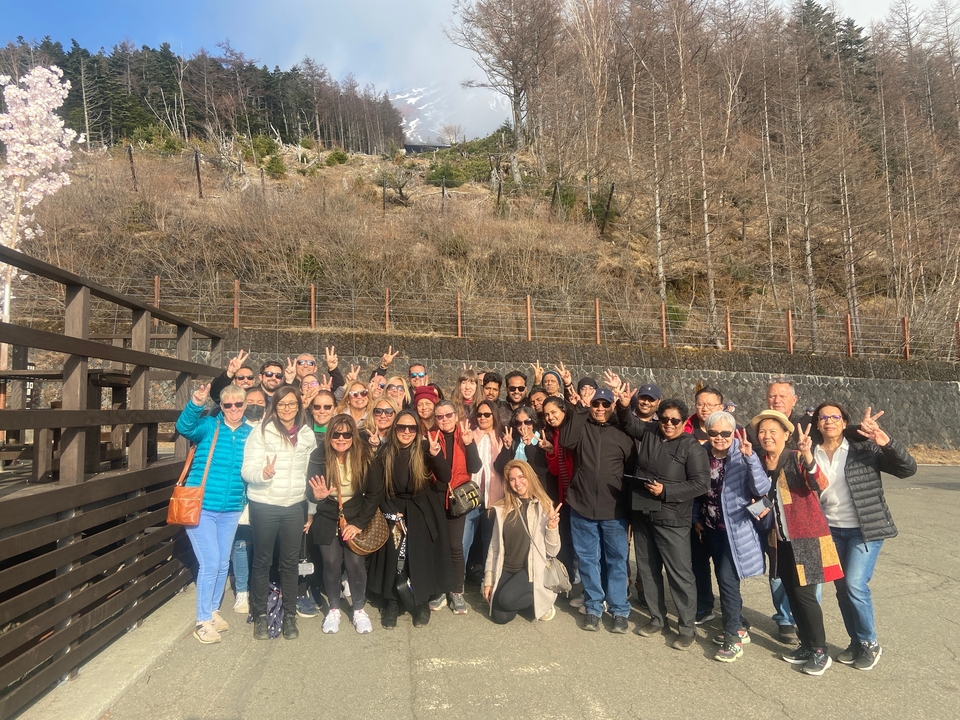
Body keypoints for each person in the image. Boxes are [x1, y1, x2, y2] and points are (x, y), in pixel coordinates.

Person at [812, 402, 916, 671]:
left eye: (835, 416)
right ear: (817, 424)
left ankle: (870, 642)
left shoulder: (864, 448)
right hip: (831, 530)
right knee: (842, 590)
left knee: (855, 584)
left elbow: (907, 469)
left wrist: (886, 442)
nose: (829, 421)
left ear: (845, 423)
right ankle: (856, 641)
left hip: (864, 529)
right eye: (823, 417)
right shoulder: (811, 452)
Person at [614, 391, 710, 649]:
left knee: (680, 575)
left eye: (675, 420)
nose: (668, 424)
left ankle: (686, 627)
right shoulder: (650, 432)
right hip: (643, 513)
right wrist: (624, 406)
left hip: (672, 518)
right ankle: (657, 618)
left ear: (683, 422)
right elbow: (628, 422)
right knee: (647, 569)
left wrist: (666, 491)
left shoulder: (692, 448)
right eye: (665, 419)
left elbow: (701, 484)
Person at [751, 409, 842, 676]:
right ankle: (806, 645)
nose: (767, 436)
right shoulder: (759, 461)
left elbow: (819, 482)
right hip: (780, 540)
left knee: (805, 596)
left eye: (773, 431)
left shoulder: (796, 458)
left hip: (807, 538)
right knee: (791, 592)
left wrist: (808, 455)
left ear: (786, 435)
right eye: (763, 432)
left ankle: (820, 651)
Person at [176, 383, 254, 644]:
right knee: (210, 562)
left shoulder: (249, 433)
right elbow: (184, 427)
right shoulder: (210, 426)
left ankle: (213, 611)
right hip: (201, 506)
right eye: (228, 405)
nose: (233, 409)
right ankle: (202, 621)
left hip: (232, 508)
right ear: (221, 406)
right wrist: (196, 403)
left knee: (222, 562)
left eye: (238, 405)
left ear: (245, 406)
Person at [241, 386, 317, 641]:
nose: (287, 408)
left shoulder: (307, 435)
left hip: (295, 505)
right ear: (275, 406)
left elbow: (311, 476)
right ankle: (260, 615)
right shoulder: (261, 431)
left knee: (290, 563)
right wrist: (263, 475)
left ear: (299, 406)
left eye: (292, 404)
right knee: (262, 561)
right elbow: (247, 469)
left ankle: (290, 616)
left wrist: (312, 509)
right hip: (265, 504)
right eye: (282, 404)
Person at [367, 410, 454, 628]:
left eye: (412, 428)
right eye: (402, 427)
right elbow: (377, 489)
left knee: (420, 554)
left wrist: (437, 455)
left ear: (417, 431)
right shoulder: (384, 452)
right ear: (395, 429)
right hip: (393, 505)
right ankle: (391, 603)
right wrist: (389, 510)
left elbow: (445, 477)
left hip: (421, 507)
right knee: (392, 555)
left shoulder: (425, 449)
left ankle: (421, 603)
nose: (406, 432)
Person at [559, 387, 634, 633]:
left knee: (617, 562)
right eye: (596, 404)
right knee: (588, 561)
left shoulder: (622, 431)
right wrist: (580, 408)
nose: (600, 409)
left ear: (612, 406)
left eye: (605, 404)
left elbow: (633, 466)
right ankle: (593, 607)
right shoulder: (582, 427)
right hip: (581, 506)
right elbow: (566, 441)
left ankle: (619, 609)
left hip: (614, 509)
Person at [697, 411, 771, 662]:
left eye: (725, 433)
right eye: (714, 433)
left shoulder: (743, 453)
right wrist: (697, 519)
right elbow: (699, 490)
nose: (720, 437)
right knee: (725, 579)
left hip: (735, 530)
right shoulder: (702, 452)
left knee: (727, 581)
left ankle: (732, 637)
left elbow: (762, 489)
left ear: (733, 433)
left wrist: (751, 458)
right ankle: (738, 624)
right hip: (711, 528)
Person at [746, 375, 814, 643]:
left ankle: (808, 627)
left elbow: (817, 481)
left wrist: (807, 454)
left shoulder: (806, 428)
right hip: (770, 522)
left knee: (807, 578)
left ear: (793, 400)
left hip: (802, 520)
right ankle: (785, 619)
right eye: (772, 395)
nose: (776, 400)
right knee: (777, 571)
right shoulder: (755, 431)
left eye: (782, 396)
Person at [307, 414, 382, 634]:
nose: (341, 438)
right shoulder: (318, 456)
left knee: (355, 563)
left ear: (353, 436)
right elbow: (309, 494)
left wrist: (359, 523)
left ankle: (358, 609)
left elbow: (375, 493)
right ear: (329, 435)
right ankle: (333, 609)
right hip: (327, 514)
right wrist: (318, 496)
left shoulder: (365, 455)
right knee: (330, 562)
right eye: (336, 434)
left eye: (346, 434)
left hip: (355, 514)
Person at [483, 460, 563, 624]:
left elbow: (552, 552)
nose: (517, 483)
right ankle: (529, 603)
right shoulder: (502, 508)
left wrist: (552, 528)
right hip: (506, 568)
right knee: (499, 617)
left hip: (530, 570)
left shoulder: (544, 506)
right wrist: (489, 581)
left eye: (521, 477)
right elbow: (494, 548)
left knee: (505, 599)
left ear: (529, 477)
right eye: (512, 479)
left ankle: (543, 602)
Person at [427, 400, 482, 614]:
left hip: (457, 499)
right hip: (435, 496)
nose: (444, 420)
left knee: (455, 546)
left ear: (455, 416)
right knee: (437, 545)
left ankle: (457, 590)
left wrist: (469, 444)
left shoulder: (464, 435)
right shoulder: (431, 437)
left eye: (448, 415)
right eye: (439, 416)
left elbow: (475, 467)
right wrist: (431, 453)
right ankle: (440, 589)